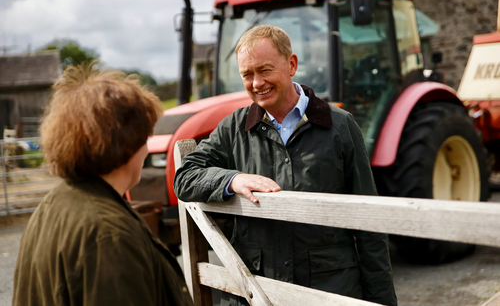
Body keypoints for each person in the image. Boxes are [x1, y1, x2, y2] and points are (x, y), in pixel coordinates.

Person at [174, 25, 397, 306]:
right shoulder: (234, 127)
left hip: (328, 293)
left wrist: (382, 300)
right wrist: (232, 180)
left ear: (291, 65)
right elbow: (184, 178)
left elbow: (369, 224)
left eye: (264, 70)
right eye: (247, 74)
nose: (256, 83)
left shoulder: (340, 126)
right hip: (256, 291)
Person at [13, 63, 193, 306]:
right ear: (127, 144)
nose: (147, 149)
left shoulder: (49, 207)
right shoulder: (109, 235)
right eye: (145, 138)